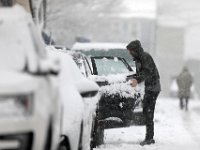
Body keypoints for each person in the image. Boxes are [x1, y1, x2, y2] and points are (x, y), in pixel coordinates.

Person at [126, 40, 161, 146]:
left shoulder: (145, 57)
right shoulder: (138, 59)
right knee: (147, 111)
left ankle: (149, 138)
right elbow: (140, 73)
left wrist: (138, 80)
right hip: (149, 87)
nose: (129, 53)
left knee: (149, 112)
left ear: (135, 50)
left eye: (130, 51)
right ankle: (149, 137)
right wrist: (132, 77)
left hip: (153, 87)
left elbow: (147, 72)